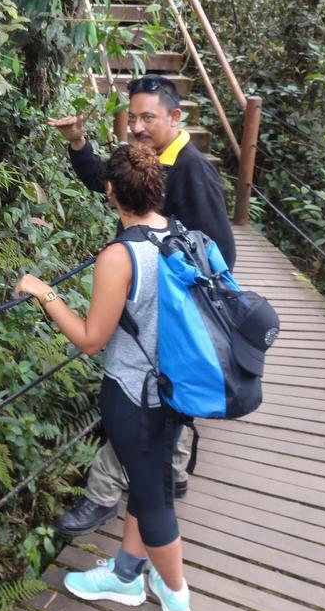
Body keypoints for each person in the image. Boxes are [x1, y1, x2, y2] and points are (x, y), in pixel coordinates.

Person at [47, 73, 236, 536]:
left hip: (171, 315)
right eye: (132, 117)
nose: (136, 126)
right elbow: (111, 184)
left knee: (144, 397)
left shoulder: (191, 170)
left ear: (175, 116)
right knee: (162, 403)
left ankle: (105, 496)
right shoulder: (151, 161)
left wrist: (164, 278)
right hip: (150, 307)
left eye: (147, 117)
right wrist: (78, 144)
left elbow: (220, 254)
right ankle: (170, 475)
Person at [15, 144, 191, 611]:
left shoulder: (121, 255)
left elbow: (92, 339)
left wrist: (44, 292)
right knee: (147, 482)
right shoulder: (179, 234)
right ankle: (126, 575)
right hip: (176, 390)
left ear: (111, 191)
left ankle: (176, 595)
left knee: (154, 501)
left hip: (134, 395)